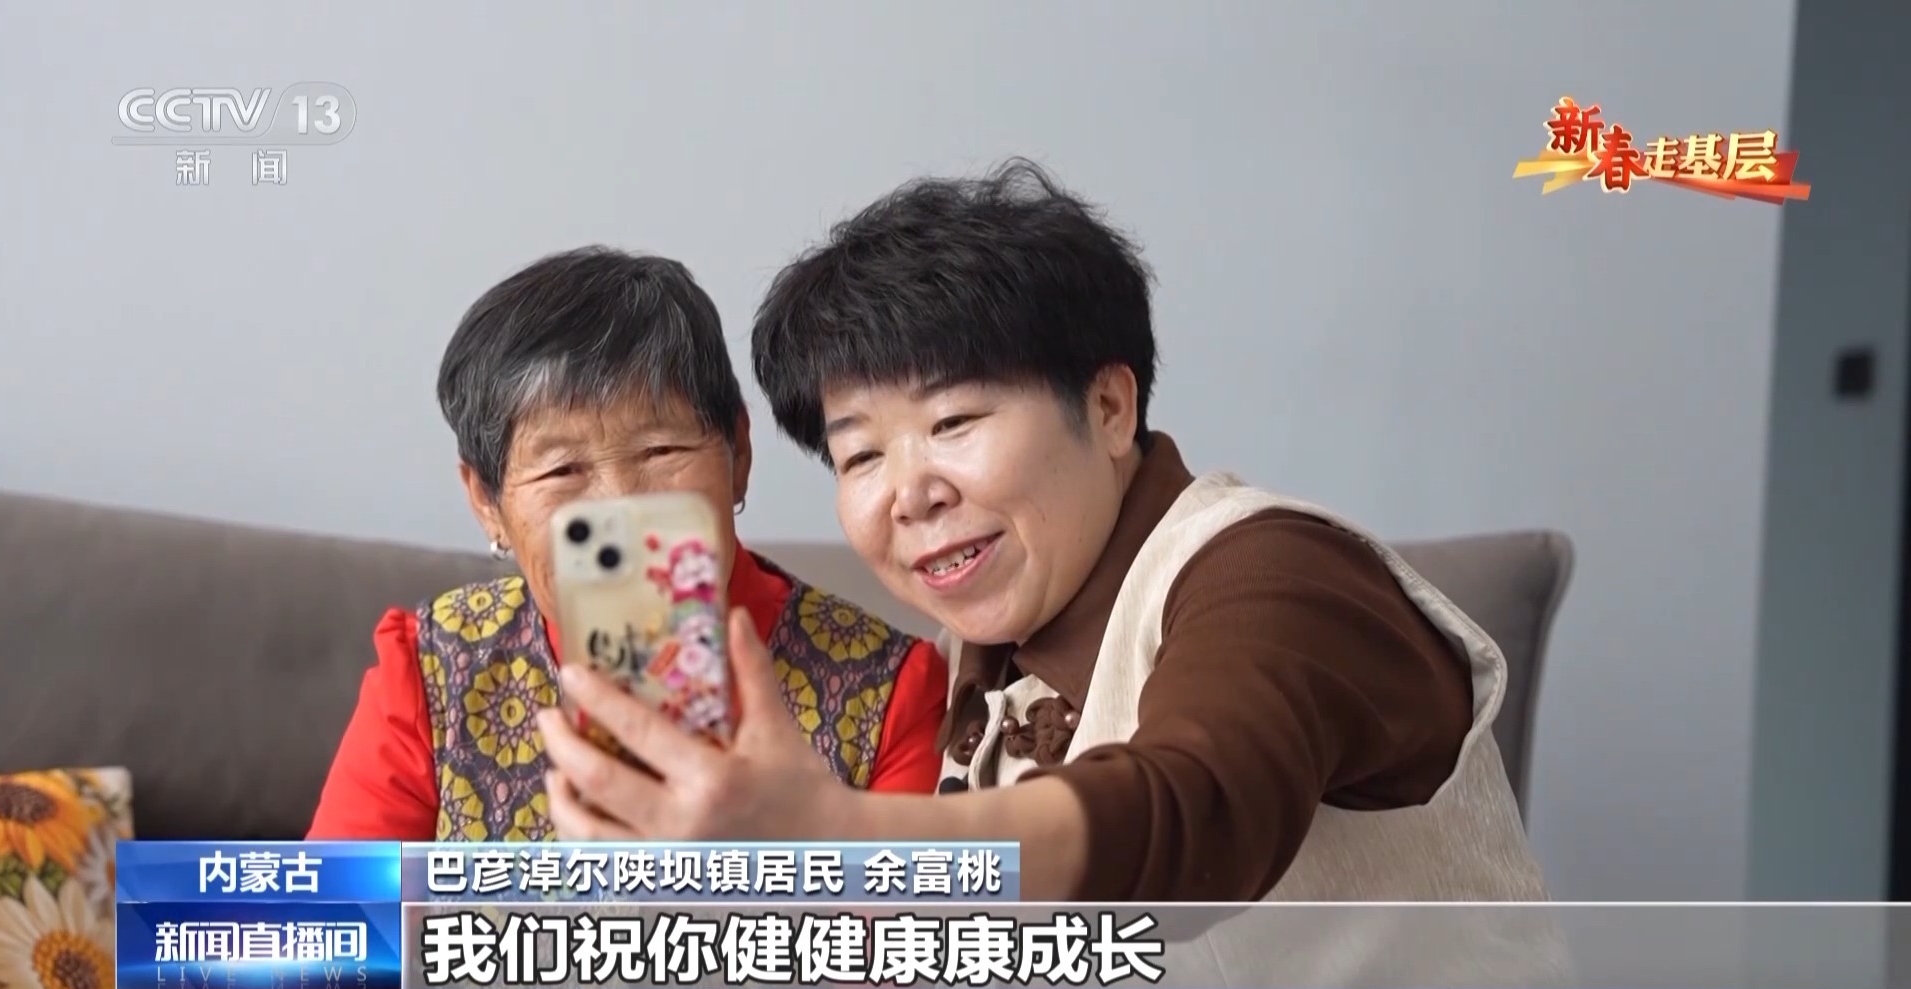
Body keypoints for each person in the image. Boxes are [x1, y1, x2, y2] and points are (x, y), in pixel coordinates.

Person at [533, 164, 1551, 907]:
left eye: (954, 421)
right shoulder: (966, 663)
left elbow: (1190, 811)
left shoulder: (1275, 572)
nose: (909, 493)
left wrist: (843, 839)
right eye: (861, 453)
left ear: (1109, 407)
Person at [307, 247, 949, 842]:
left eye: (660, 450)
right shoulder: (429, 673)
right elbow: (328, 919)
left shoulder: (894, 690)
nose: (621, 507)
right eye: (562, 470)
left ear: (739, 454)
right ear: (486, 502)